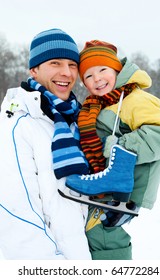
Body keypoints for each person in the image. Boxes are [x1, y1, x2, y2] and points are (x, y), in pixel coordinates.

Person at [65, 40, 160, 259]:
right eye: (88, 75)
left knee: (102, 233)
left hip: (125, 187)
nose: (97, 78)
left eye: (103, 69)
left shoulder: (135, 99)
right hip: (106, 185)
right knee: (94, 231)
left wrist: (117, 147)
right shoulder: (99, 104)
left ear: (117, 69)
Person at [0, 28, 91, 260]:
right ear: (34, 69)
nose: (66, 73)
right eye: (55, 63)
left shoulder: (76, 120)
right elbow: (16, 216)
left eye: (72, 65)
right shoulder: (18, 124)